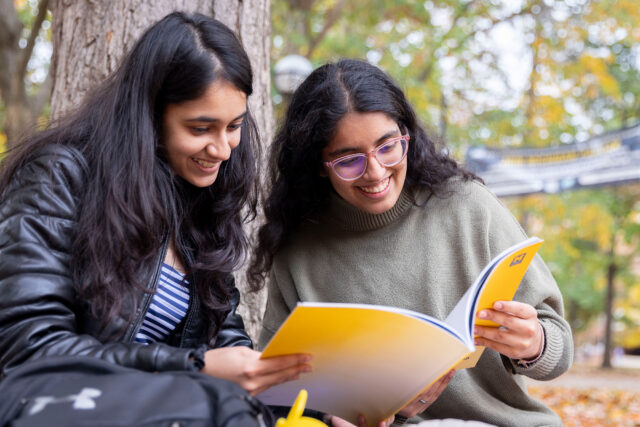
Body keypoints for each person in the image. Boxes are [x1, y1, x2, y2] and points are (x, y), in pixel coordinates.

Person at [0, 12, 311, 397]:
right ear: (148, 114)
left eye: (234, 126)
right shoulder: (58, 177)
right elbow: (30, 350)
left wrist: (316, 404)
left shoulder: (197, 194)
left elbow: (223, 335)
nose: (222, 149)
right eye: (200, 129)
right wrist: (193, 368)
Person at [249, 59, 573, 426]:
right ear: (318, 164)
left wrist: (533, 345)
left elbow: (558, 351)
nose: (375, 172)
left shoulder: (469, 207)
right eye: (349, 160)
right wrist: (341, 413)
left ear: (407, 135)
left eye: (388, 147)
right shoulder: (299, 249)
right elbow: (276, 391)